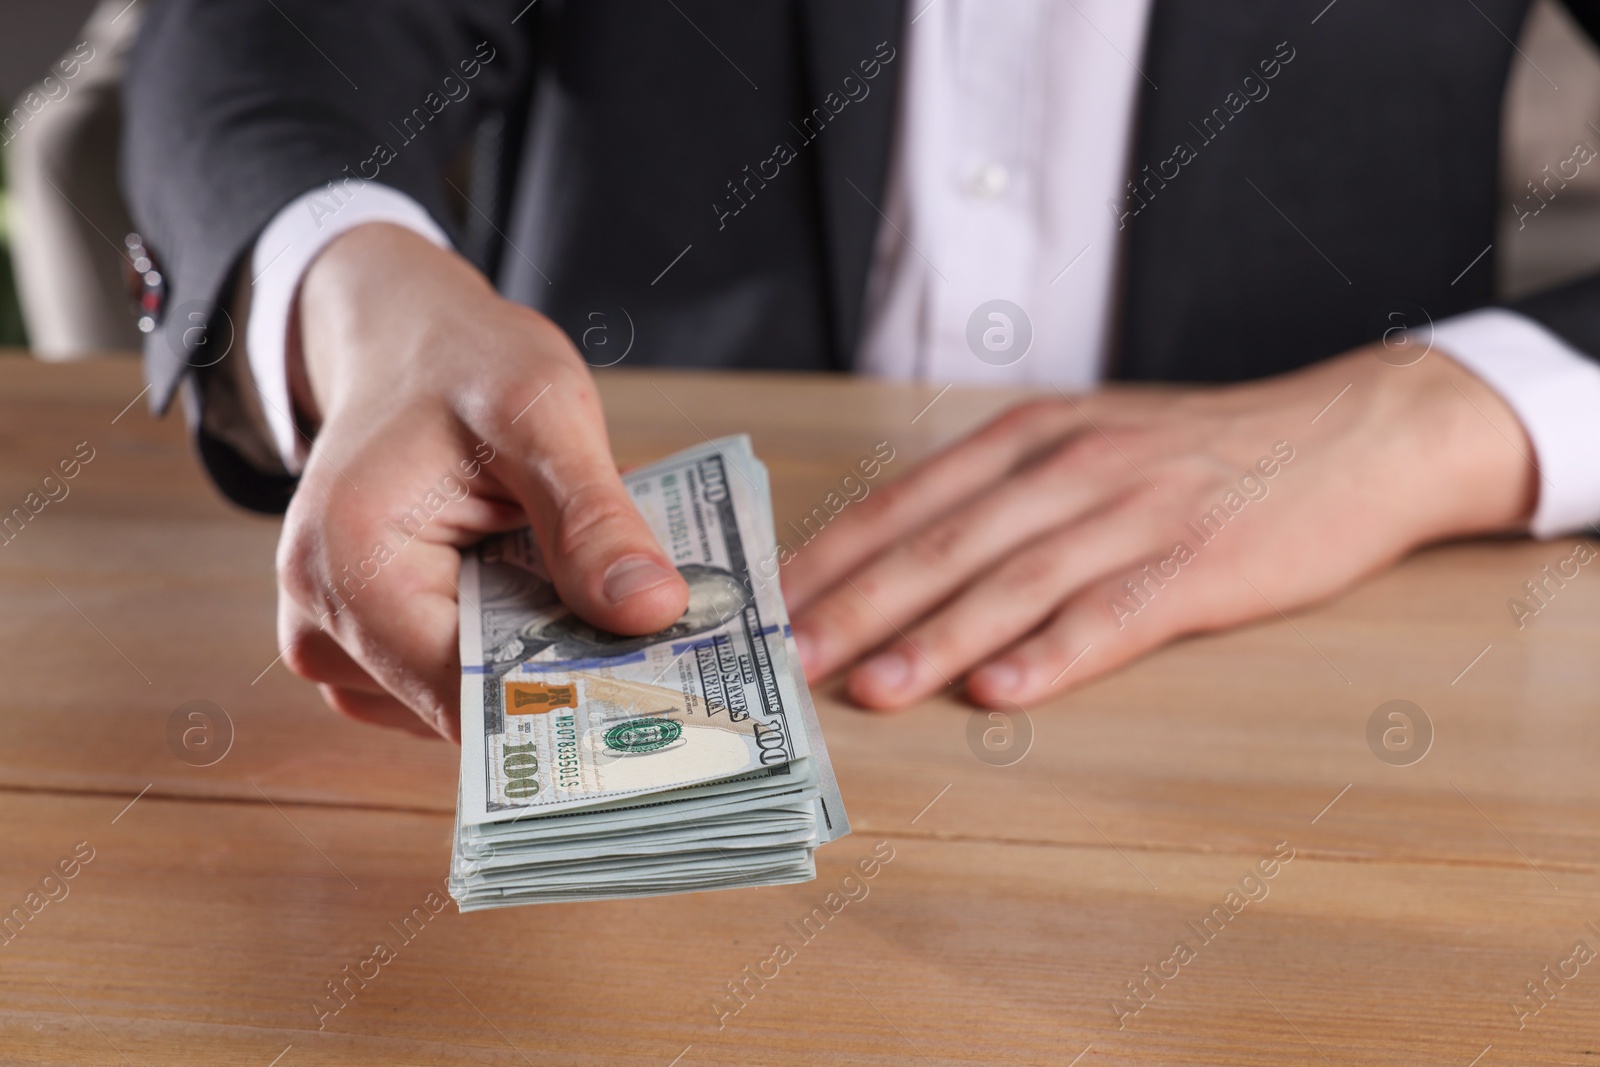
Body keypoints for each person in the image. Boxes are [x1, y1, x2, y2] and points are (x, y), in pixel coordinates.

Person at [122, 1, 1600, 740]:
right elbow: (274, 36)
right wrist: (357, 288)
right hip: (605, 534)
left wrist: (1437, 421)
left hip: (1330, 673)